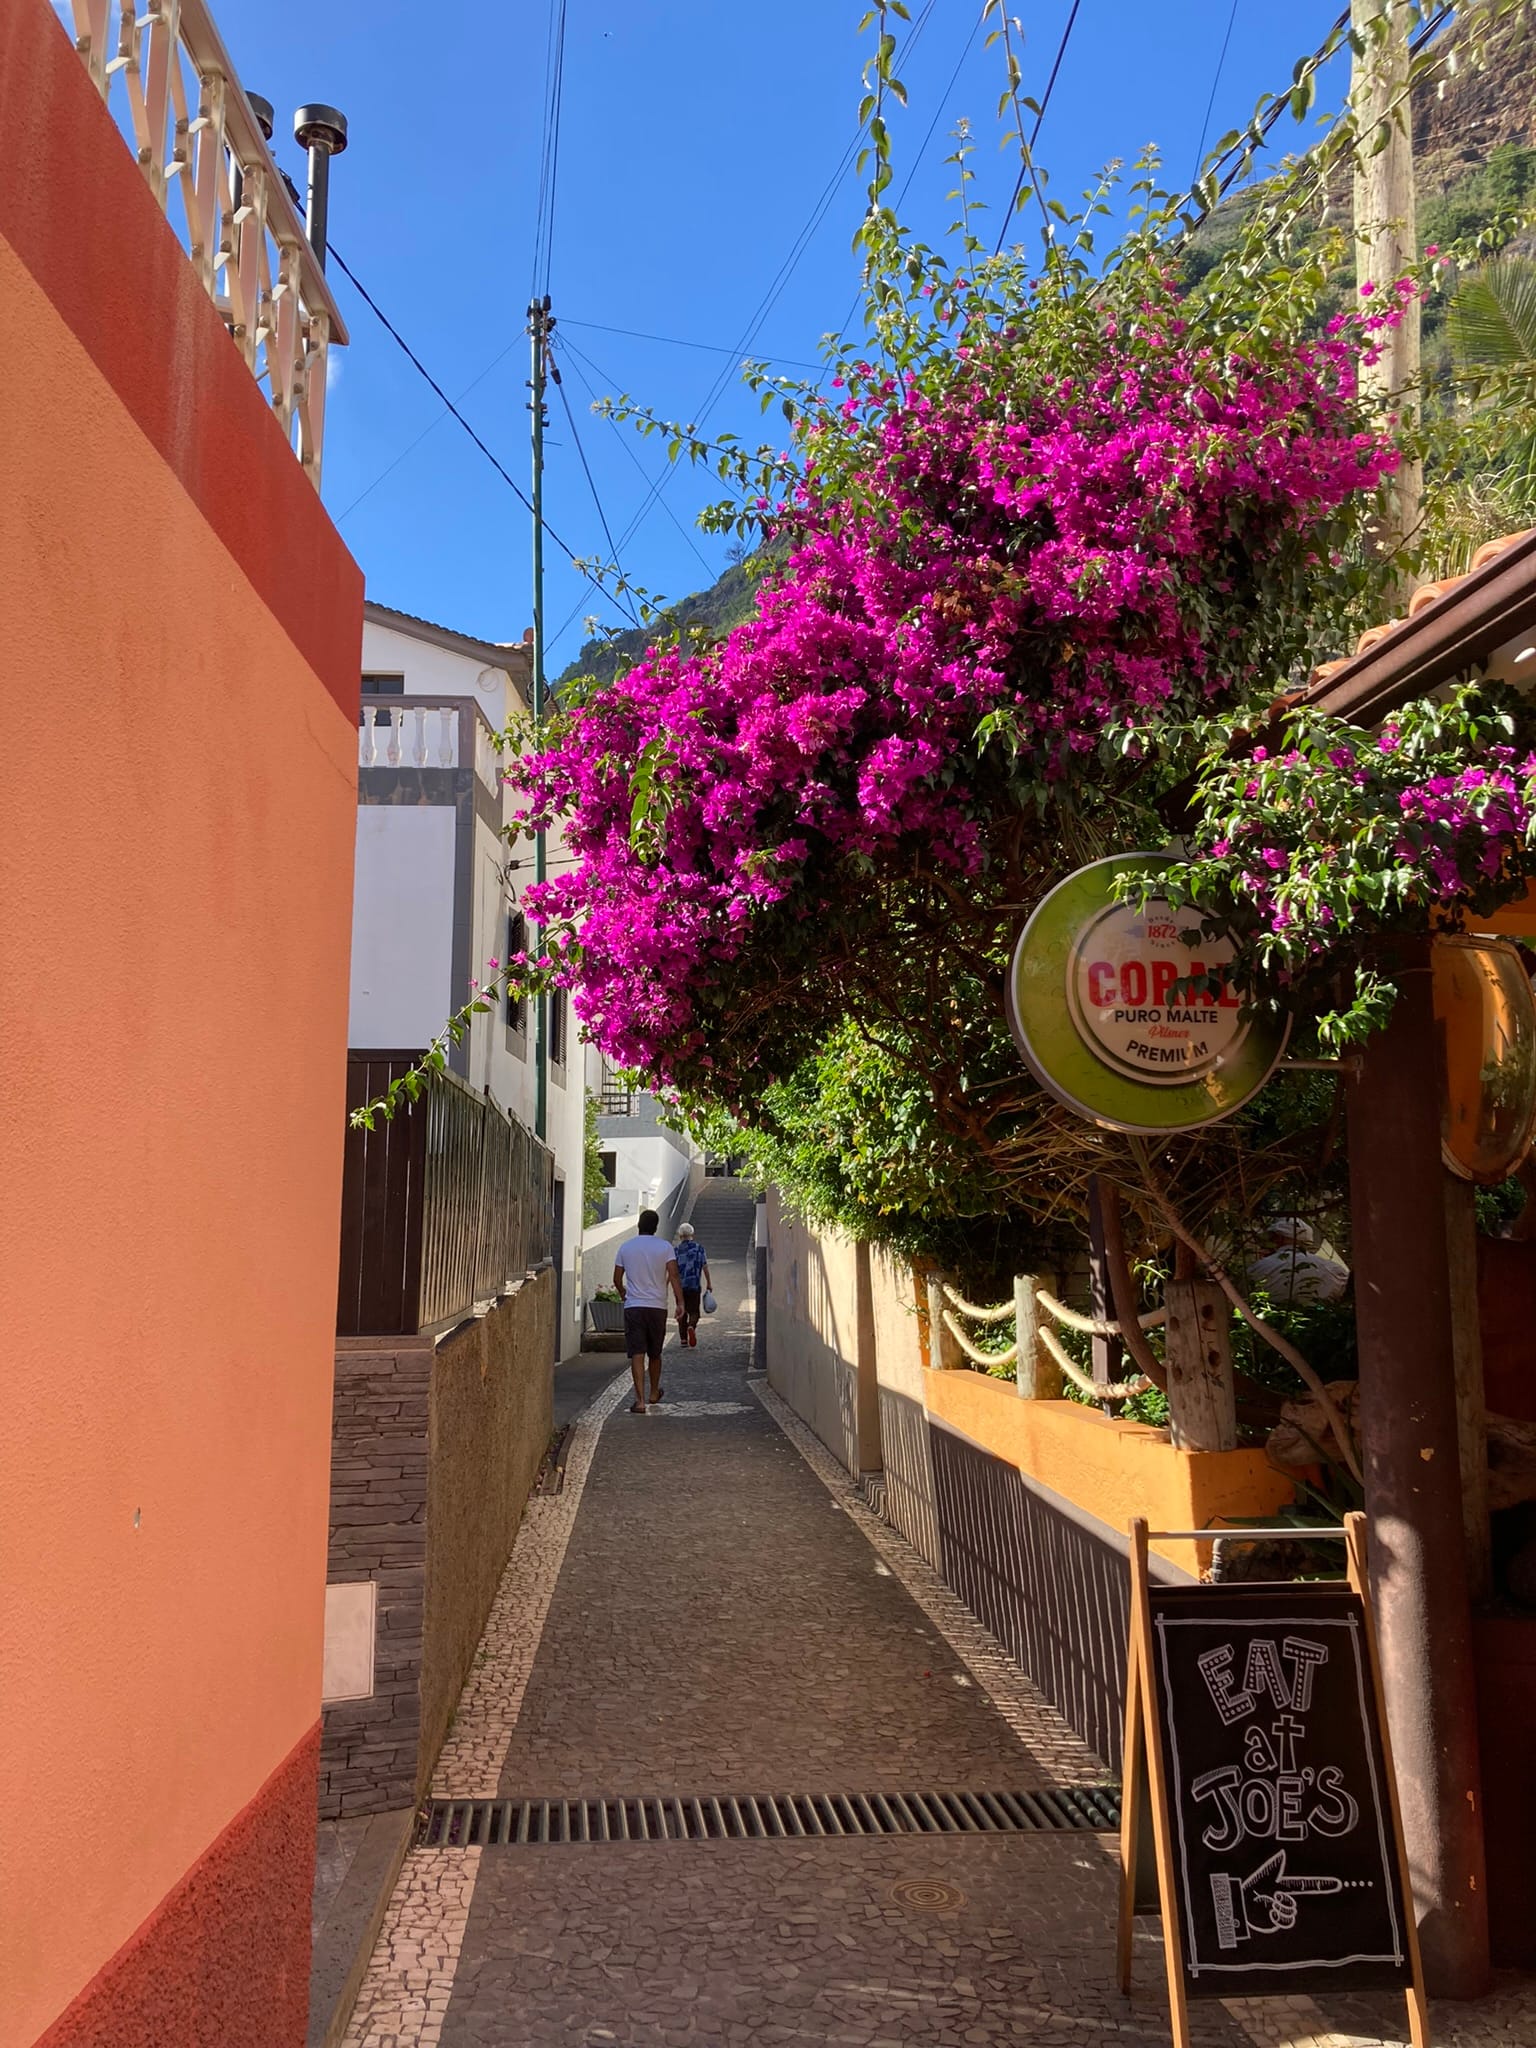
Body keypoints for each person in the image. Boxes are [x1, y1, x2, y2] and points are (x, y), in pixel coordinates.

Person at [613, 1210, 684, 1414]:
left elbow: (617, 1278)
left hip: (634, 1306)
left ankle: (640, 1400)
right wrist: (680, 1302)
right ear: (656, 1226)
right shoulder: (665, 1247)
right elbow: (674, 1274)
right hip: (657, 1306)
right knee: (655, 1352)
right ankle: (654, 1392)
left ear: (638, 1225)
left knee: (637, 1353)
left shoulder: (626, 1247)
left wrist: (623, 1293)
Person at [673, 1221, 711, 1348]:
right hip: (694, 1285)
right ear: (692, 1235)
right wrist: (709, 1283)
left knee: (681, 1311)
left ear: (680, 1236)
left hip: (680, 1287)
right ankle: (691, 1326)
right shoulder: (699, 1248)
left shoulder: (676, 1250)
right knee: (694, 1312)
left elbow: (672, 1270)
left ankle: (683, 1339)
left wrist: (666, 1284)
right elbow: (705, 1267)